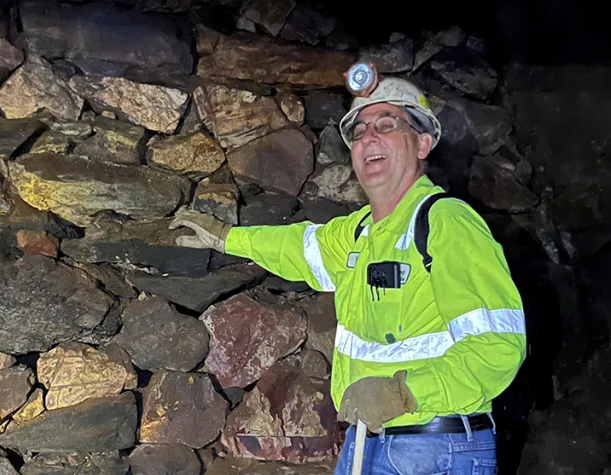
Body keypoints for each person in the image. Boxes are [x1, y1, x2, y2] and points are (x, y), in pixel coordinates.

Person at [169, 67, 527, 475]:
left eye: (387, 125)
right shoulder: (360, 233)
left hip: (437, 447)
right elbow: (298, 248)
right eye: (359, 132)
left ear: (423, 143)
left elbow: (499, 345)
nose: (369, 137)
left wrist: (404, 392)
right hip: (367, 443)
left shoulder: (445, 223)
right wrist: (224, 237)